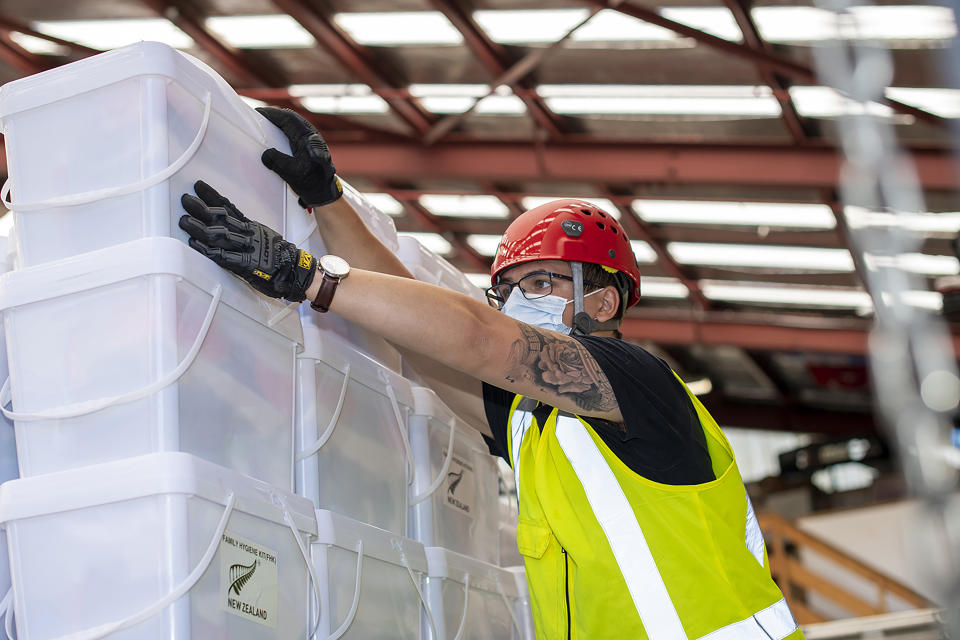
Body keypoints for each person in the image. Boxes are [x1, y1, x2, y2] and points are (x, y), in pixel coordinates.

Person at [178, 107, 804, 640]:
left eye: (542, 282)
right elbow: (425, 341)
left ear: (604, 301)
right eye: (508, 290)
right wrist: (327, 200)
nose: (518, 299)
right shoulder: (537, 429)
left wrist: (307, 276)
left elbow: (479, 337)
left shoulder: (637, 384)